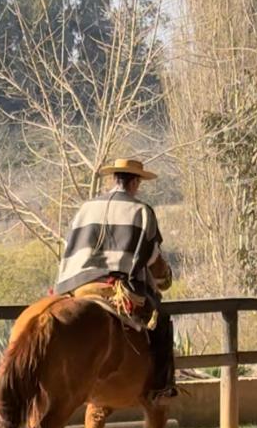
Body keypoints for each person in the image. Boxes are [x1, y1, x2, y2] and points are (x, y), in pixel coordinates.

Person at [55, 157, 176, 398]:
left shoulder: (85, 208)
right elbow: (151, 257)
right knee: (160, 321)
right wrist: (164, 279)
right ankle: (161, 387)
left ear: (113, 179)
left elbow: (71, 247)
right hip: (116, 285)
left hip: (78, 283)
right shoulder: (141, 211)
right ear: (135, 183)